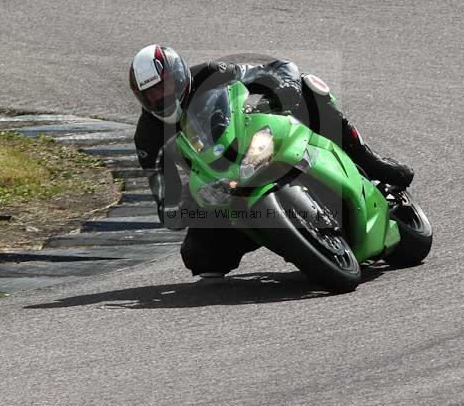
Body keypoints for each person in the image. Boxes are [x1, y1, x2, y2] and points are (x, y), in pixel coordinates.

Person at [129, 44, 413, 277]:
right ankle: (291, 240)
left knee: (308, 87)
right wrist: (185, 205)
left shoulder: (211, 74)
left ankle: (369, 160)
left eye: (161, 86)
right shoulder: (147, 136)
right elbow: (164, 198)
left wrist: (285, 86)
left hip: (255, 140)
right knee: (199, 258)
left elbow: (277, 68)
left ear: (177, 75)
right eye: (149, 94)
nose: (158, 97)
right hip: (224, 187)